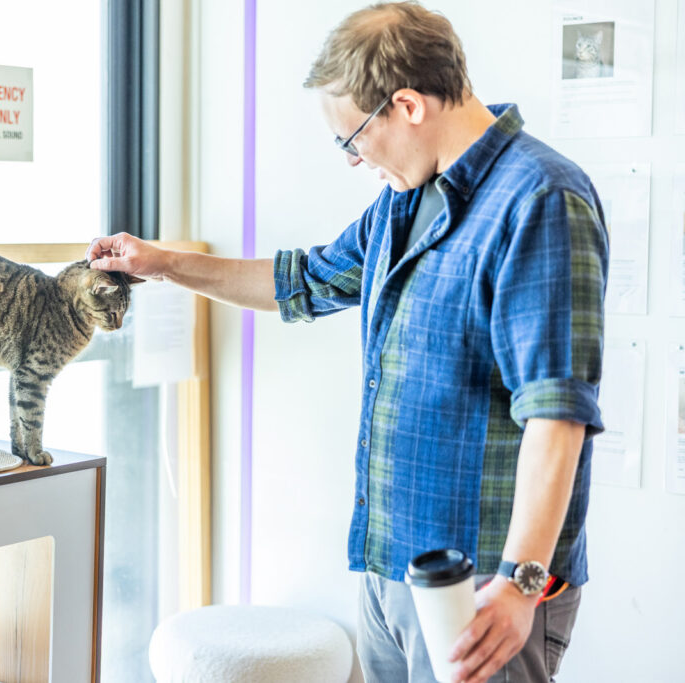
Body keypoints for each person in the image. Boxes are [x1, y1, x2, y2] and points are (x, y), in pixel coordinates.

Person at [86, 3, 607, 682]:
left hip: (481, 586)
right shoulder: (404, 200)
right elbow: (301, 281)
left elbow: (557, 413)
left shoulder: (541, 198)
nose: (355, 158)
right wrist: (163, 263)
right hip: (390, 567)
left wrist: (520, 580)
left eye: (352, 139)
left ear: (408, 106)